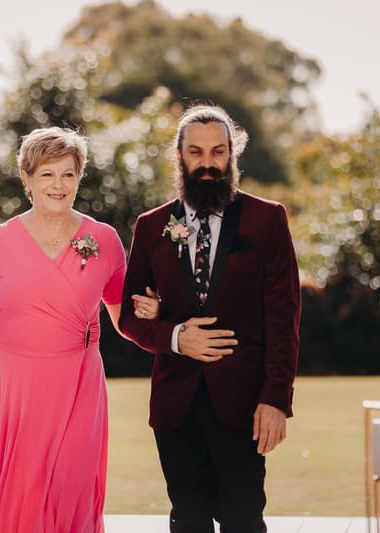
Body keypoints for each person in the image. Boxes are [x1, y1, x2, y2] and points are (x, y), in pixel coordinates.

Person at [0, 127, 160, 532]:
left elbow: (124, 320)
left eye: (68, 174)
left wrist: (160, 319)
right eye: (47, 174)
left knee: (71, 490)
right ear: (26, 179)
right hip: (13, 388)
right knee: (18, 498)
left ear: (80, 178)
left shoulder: (105, 240)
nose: (58, 185)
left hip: (80, 385)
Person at [119, 105, 301, 533]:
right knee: (188, 520)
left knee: (243, 519)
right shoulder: (151, 226)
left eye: (217, 152)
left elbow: (284, 316)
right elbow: (128, 316)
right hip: (175, 405)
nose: (207, 163)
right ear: (179, 155)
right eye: (196, 152)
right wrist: (176, 337)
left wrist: (276, 399)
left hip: (244, 402)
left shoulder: (267, 219)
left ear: (232, 154)